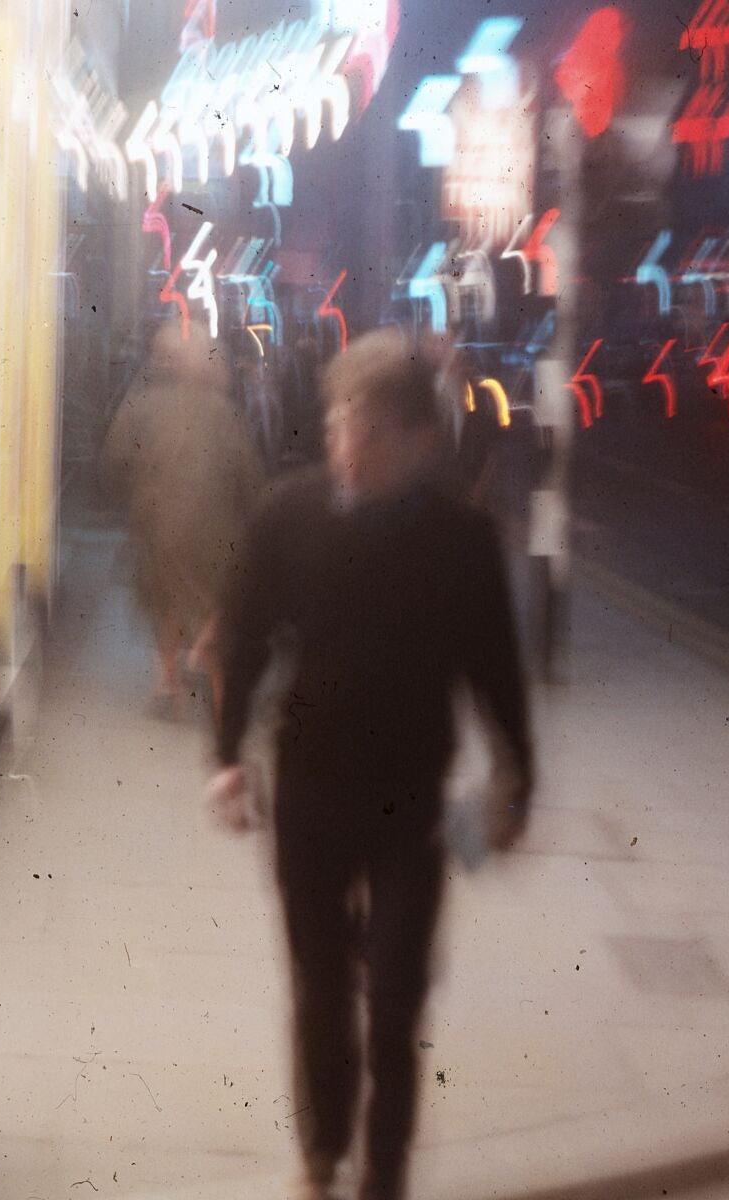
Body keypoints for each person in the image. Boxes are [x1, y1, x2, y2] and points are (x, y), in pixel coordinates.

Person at [209, 329, 535, 1200]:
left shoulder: (461, 541)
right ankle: (322, 1152)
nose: (346, 444)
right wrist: (227, 754)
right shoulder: (288, 515)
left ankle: (383, 1175)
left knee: (394, 1003)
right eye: (336, 421)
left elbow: (497, 671)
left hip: (410, 805)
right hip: (309, 794)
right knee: (320, 990)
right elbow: (242, 639)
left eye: (369, 429)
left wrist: (517, 777)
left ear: (421, 441)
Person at [100, 318, 263, 720]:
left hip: (156, 526)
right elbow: (249, 478)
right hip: (215, 532)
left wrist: (133, 497)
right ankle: (221, 705)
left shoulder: (139, 405)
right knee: (213, 608)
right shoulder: (224, 412)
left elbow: (114, 463)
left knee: (166, 601)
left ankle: (167, 682)